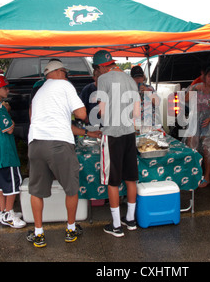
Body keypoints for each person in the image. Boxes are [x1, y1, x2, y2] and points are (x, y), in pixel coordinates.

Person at [27, 59, 101, 247]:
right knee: (71, 188)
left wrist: (87, 133)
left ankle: (38, 233)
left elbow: (49, 121)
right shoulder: (65, 86)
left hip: (35, 143)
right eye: (65, 72)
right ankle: (70, 229)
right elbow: (82, 114)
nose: (66, 75)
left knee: (36, 191)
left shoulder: (39, 93)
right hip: (59, 144)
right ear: (58, 72)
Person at [95, 50, 141, 237]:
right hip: (129, 133)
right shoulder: (130, 79)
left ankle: (116, 226)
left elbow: (102, 112)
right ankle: (130, 220)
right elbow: (136, 113)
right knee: (131, 178)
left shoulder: (103, 80)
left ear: (100, 67)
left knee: (112, 181)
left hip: (112, 135)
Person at [0, 76, 26, 229]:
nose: (8, 90)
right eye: (5, 87)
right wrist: (11, 119)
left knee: (2, 185)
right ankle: (9, 214)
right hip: (5, 152)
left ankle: (4, 212)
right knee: (12, 184)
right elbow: (9, 128)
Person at [185, 66, 210, 188]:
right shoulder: (198, 88)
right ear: (204, 77)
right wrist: (194, 88)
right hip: (195, 120)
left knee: (208, 150)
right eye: (209, 76)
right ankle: (193, 174)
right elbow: (184, 99)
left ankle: (207, 177)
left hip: (209, 123)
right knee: (192, 148)